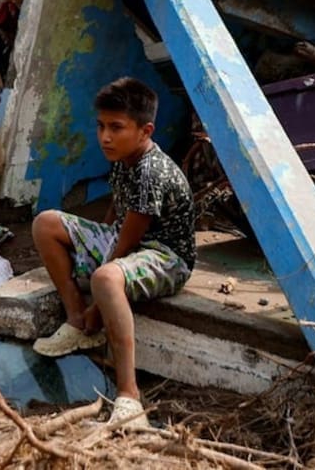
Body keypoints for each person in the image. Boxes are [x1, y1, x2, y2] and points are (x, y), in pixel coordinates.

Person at [30, 77, 196, 430]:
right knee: (46, 223)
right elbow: (117, 216)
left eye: (116, 127)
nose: (105, 136)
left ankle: (129, 397)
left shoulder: (151, 171)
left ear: (145, 130)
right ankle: (76, 322)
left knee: (105, 278)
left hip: (166, 255)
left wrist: (99, 305)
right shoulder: (124, 156)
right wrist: (94, 242)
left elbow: (129, 242)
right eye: (101, 126)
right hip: (129, 239)